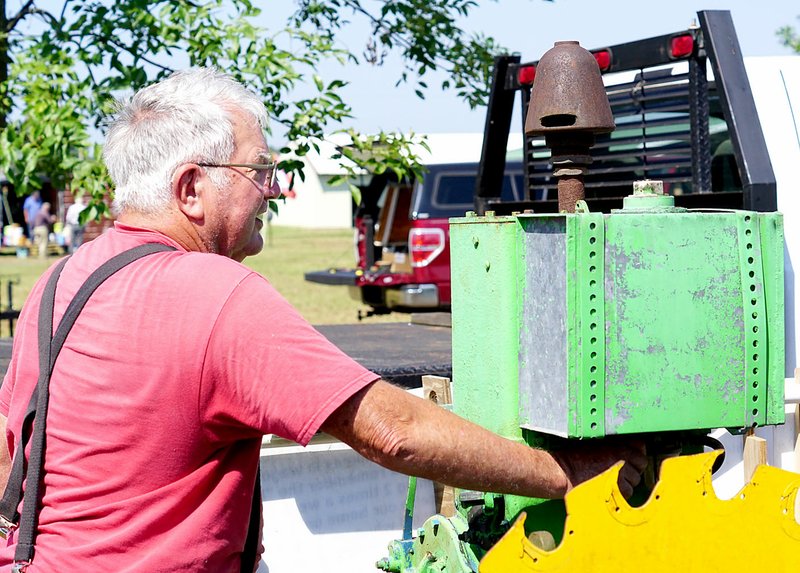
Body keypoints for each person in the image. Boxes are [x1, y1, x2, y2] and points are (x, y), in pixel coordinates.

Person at [0, 69, 646, 572]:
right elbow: (395, 432)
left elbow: (12, 455)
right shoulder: (214, 294)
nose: (273, 190)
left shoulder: (62, 281)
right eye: (259, 171)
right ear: (191, 188)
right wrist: (566, 471)